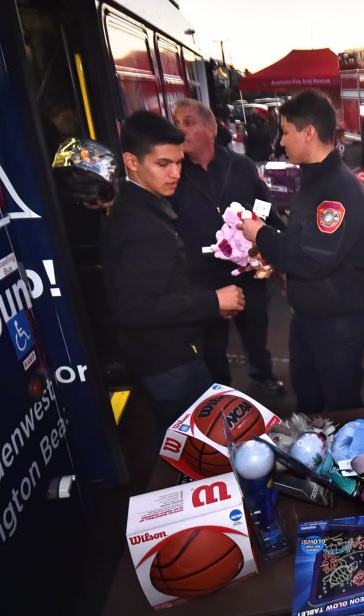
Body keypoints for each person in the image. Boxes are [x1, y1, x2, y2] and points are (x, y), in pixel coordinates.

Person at [100, 110, 245, 433]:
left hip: (170, 354)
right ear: (132, 162)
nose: (175, 173)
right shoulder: (139, 222)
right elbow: (135, 308)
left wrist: (208, 304)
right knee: (198, 448)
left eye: (179, 163)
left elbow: (165, 283)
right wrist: (212, 302)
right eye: (163, 164)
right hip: (167, 362)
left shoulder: (142, 206)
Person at [238, 89, 364, 413]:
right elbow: (303, 240)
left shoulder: (336, 189)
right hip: (311, 317)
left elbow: (312, 259)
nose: (280, 142)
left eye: (285, 132)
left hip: (336, 324)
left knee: (341, 411)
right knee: (310, 405)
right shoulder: (315, 179)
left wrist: (262, 236)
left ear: (308, 133)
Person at [169, 98, 286, 396]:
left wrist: (272, 244)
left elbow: (264, 206)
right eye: (176, 123)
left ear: (210, 127)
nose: (180, 130)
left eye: (188, 122)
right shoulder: (174, 176)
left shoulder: (241, 166)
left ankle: (263, 375)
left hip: (246, 271)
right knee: (211, 343)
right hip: (201, 279)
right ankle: (220, 394)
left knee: (256, 329)